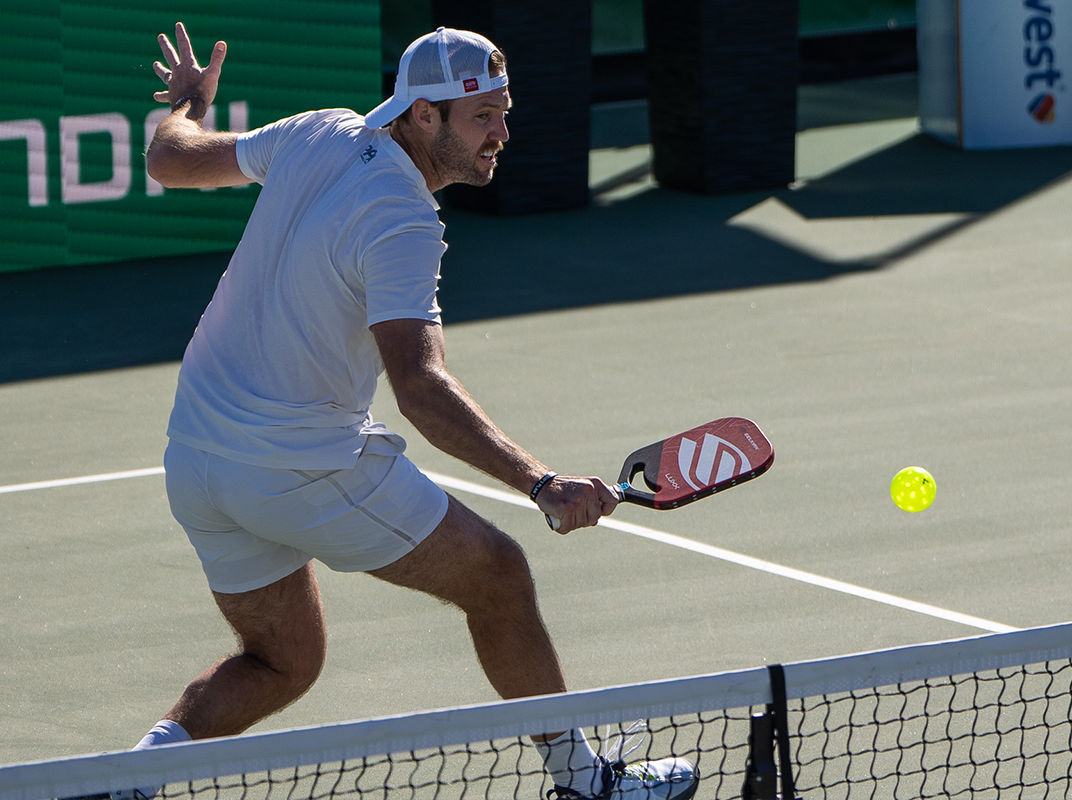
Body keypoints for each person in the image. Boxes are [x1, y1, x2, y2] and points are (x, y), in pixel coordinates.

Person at [118, 21, 699, 800]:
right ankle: (583, 782)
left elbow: (168, 159)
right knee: (497, 574)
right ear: (423, 116)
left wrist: (187, 105)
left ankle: (126, 782)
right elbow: (419, 386)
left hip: (194, 458)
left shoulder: (319, 132)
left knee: (285, 659)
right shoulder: (402, 219)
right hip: (298, 464)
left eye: (504, 110)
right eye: (481, 116)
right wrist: (541, 483)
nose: (501, 133)